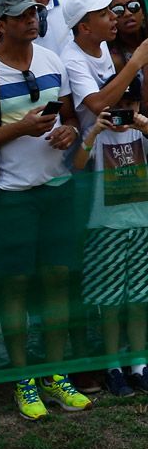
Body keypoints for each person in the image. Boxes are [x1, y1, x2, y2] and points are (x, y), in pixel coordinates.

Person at [0, 0, 91, 419]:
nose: (30, 20)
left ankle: (56, 373)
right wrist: (20, 129)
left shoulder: (53, 61)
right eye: (19, 16)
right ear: (0, 25)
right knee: (16, 285)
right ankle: (23, 380)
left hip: (55, 188)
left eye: (33, 13)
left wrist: (69, 130)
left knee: (56, 278)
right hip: (12, 195)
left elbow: (70, 116)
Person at [71, 85, 148, 396]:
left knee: (140, 301)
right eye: (117, 105)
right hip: (104, 228)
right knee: (111, 304)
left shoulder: (141, 133)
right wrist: (93, 132)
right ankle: (113, 364)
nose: (123, 111)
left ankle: (139, 364)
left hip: (142, 225)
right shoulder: (96, 134)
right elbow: (76, 165)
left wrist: (142, 123)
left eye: (129, 103)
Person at [61, 0, 148, 133]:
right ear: (85, 27)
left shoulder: (100, 42)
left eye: (109, 10)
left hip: (115, 140)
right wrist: (136, 62)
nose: (113, 16)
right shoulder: (72, 61)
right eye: (103, 14)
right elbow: (99, 105)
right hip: (92, 148)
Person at [105, 0, 148, 84]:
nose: (128, 13)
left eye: (134, 6)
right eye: (118, 10)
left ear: (142, 12)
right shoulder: (112, 60)